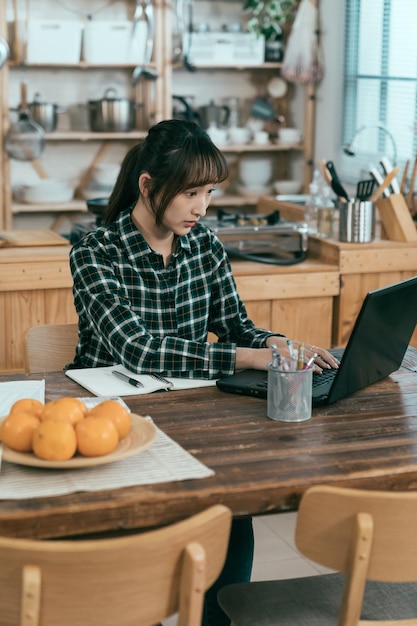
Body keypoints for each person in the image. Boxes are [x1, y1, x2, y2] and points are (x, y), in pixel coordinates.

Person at [69, 118, 339, 626]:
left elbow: (235, 326)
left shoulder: (205, 246)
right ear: (148, 185)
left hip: (198, 420)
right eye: (191, 192)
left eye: (209, 192)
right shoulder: (96, 251)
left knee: (232, 510)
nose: (202, 207)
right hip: (116, 427)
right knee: (140, 549)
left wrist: (274, 342)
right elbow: (137, 349)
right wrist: (246, 357)